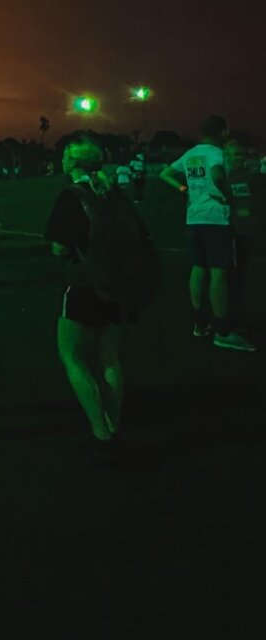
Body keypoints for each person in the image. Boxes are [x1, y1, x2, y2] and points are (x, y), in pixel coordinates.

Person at [45, 136, 160, 462]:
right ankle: (112, 423)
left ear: (71, 161)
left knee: (72, 355)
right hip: (121, 284)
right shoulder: (114, 193)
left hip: (85, 284)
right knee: (109, 357)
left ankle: (100, 434)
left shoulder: (72, 196)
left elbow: (59, 248)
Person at [160, 115, 254, 351]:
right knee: (219, 273)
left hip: (194, 217)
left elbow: (166, 174)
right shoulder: (215, 152)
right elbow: (217, 175)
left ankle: (200, 323)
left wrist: (184, 188)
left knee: (198, 269)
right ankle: (223, 331)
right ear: (223, 132)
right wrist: (228, 196)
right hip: (215, 218)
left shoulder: (192, 154)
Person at [225, 138, 255, 332]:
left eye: (242, 155)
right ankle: (220, 314)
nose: (239, 158)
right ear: (226, 156)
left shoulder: (250, 177)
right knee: (223, 274)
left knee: (239, 275)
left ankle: (234, 312)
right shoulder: (221, 176)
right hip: (225, 232)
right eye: (235, 154)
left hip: (244, 233)